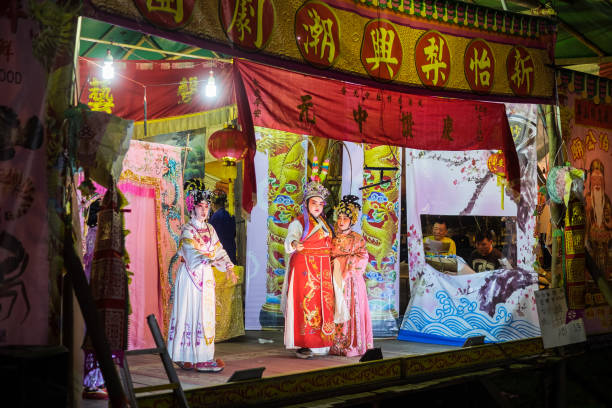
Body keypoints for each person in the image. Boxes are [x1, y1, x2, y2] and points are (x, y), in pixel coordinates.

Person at [167, 178, 237, 372]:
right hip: (190, 277)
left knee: (204, 315)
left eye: (206, 206)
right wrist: (209, 259)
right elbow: (191, 251)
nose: (204, 210)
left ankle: (203, 355)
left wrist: (229, 266)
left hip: (205, 277)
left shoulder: (210, 228)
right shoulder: (187, 229)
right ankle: (186, 355)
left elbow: (219, 249)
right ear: (193, 208)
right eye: (200, 206)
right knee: (189, 313)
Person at [282, 179, 335, 359]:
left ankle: (321, 343)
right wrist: (295, 243)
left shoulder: (325, 223)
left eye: (321, 203)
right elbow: (291, 238)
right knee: (306, 305)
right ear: (306, 204)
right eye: (314, 203)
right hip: (305, 269)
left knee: (323, 305)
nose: (318, 206)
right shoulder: (299, 223)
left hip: (323, 270)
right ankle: (303, 343)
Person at [329, 195, 373, 357]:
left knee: (350, 309)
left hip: (351, 281)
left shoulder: (357, 239)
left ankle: (351, 344)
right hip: (334, 279)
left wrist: (346, 264)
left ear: (352, 220)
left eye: (345, 218)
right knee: (335, 309)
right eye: (339, 218)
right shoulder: (331, 237)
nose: (341, 221)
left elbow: (363, 257)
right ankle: (333, 343)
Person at [584, 159, 612, 274]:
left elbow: (610, 223)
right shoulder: (587, 198)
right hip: (591, 243)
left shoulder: (606, 200)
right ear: (590, 180)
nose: (597, 183)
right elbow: (584, 224)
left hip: (605, 244)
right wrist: (588, 210)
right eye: (594, 178)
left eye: (599, 178)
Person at [209, 189, 237, 264]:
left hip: (219, 258)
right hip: (231, 254)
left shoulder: (214, 219)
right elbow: (234, 233)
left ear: (212, 204)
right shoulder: (230, 216)